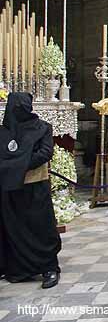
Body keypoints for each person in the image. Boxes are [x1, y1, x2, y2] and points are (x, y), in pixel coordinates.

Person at [0, 92, 60, 289]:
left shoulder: (42, 128)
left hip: (35, 185)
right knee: (13, 228)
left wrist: (15, 165)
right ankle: (18, 269)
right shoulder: (3, 131)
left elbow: (45, 152)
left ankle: (49, 267)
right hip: (9, 187)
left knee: (40, 227)